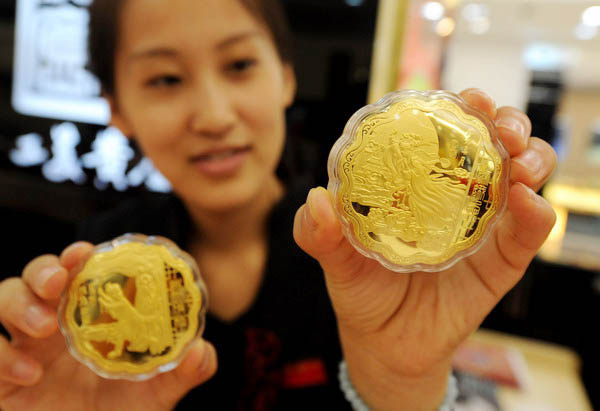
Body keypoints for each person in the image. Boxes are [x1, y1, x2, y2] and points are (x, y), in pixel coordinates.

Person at [0, 0, 557, 410]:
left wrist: (404, 384)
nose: (214, 116)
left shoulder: (373, 259)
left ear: (286, 78)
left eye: (239, 65)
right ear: (116, 109)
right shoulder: (86, 280)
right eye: (165, 78)